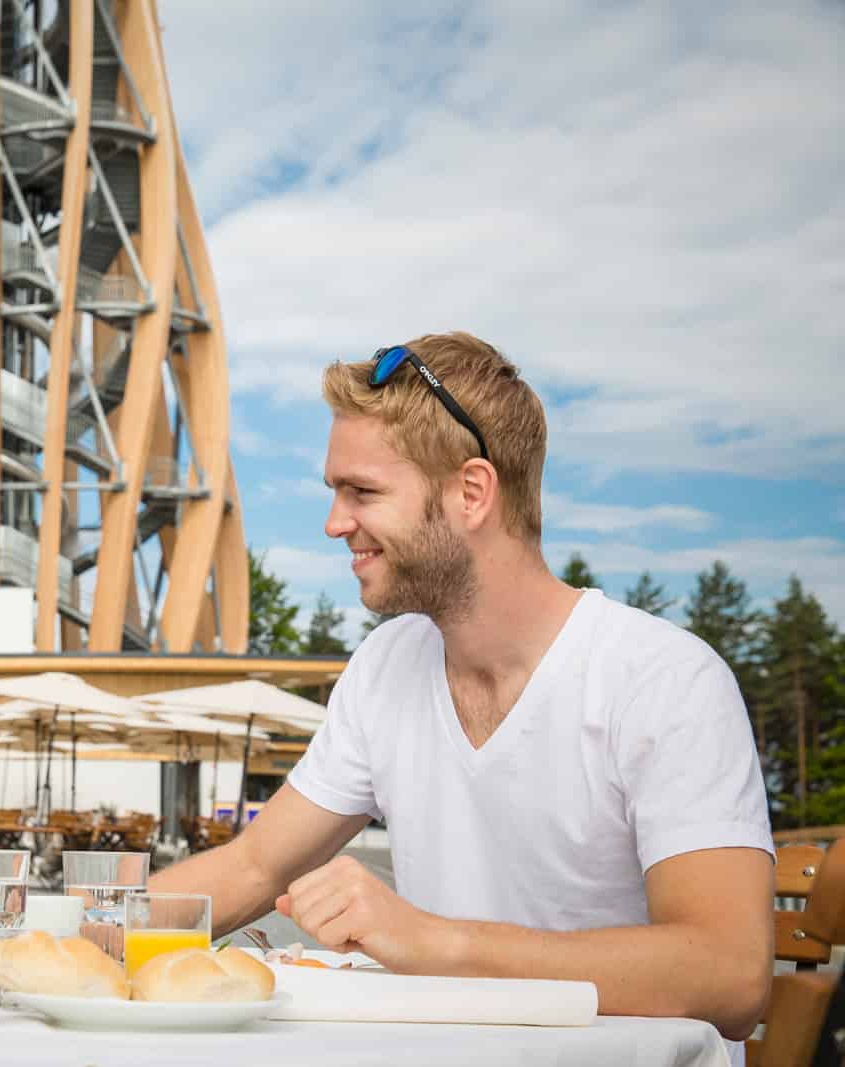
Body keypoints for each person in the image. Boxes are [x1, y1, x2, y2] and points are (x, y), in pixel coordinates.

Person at [149, 333, 774, 1043]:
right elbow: (255, 866)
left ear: (471, 492)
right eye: (335, 492)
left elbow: (731, 973)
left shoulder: (664, 680)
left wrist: (434, 943)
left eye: (363, 491)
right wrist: (73, 925)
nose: (334, 523)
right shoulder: (386, 667)